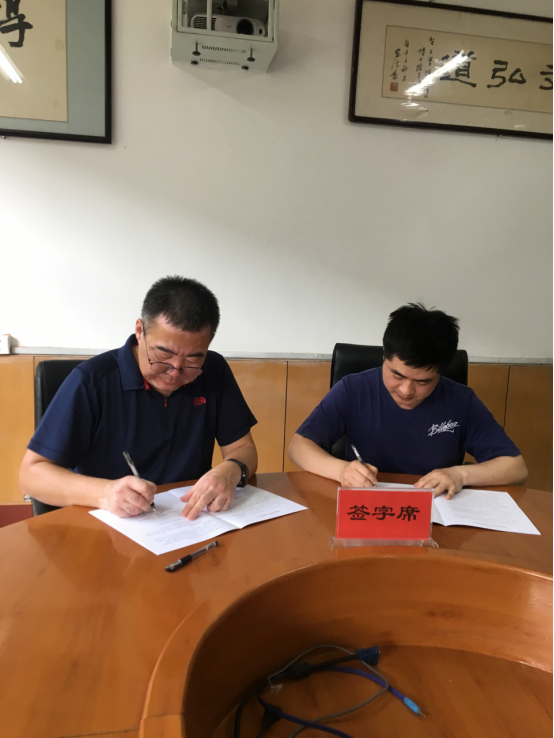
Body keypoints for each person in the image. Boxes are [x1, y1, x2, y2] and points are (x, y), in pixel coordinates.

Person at [20, 276, 258, 520]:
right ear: (139, 331)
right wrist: (105, 493)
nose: (175, 372)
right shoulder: (91, 381)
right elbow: (31, 475)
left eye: (192, 359)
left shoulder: (214, 370)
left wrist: (230, 471)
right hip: (108, 525)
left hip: (189, 521)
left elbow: (243, 449)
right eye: (163, 354)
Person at [288, 303, 527, 499]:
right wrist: (341, 471)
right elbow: (299, 447)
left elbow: (516, 468)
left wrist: (460, 475)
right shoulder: (353, 389)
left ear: (441, 371)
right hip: (366, 506)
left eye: (423, 382)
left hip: (434, 515)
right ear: (384, 353)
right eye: (397, 375)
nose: (406, 390)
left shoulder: (461, 401)